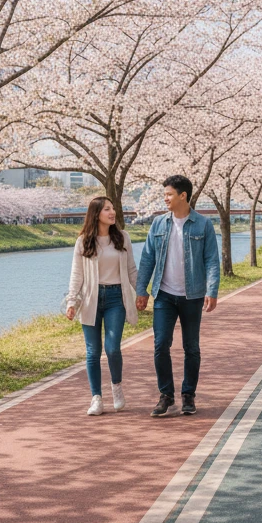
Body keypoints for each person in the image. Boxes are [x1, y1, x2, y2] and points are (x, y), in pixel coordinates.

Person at [136, 175, 221, 418]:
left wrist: (212, 291)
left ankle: (188, 394)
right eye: (165, 194)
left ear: (183, 196)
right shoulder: (158, 224)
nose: (165, 198)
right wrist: (141, 290)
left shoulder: (203, 224)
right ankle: (166, 395)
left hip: (192, 296)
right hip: (164, 295)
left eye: (169, 194)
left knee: (191, 347)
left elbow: (211, 260)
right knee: (160, 344)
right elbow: (147, 258)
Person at [66, 196, 139, 416]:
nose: (112, 212)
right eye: (107, 209)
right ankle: (96, 398)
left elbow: (132, 269)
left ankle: (116, 387)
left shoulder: (122, 238)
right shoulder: (83, 242)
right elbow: (76, 275)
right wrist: (72, 302)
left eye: (113, 208)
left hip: (116, 297)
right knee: (92, 351)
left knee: (113, 347)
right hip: (91, 299)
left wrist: (142, 293)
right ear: (96, 214)